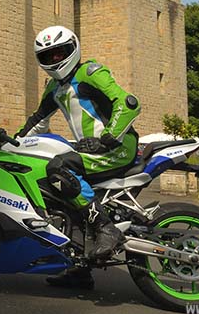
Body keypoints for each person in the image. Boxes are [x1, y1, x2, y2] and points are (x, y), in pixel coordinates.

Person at [16, 25, 141, 289]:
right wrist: (11, 142)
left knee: (59, 168)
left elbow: (128, 103)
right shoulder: (54, 88)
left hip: (117, 148)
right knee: (57, 191)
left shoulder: (90, 73)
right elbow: (38, 121)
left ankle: (107, 229)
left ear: (73, 49)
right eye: (48, 56)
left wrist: (107, 139)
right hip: (91, 150)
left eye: (59, 53)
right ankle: (80, 268)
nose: (55, 60)